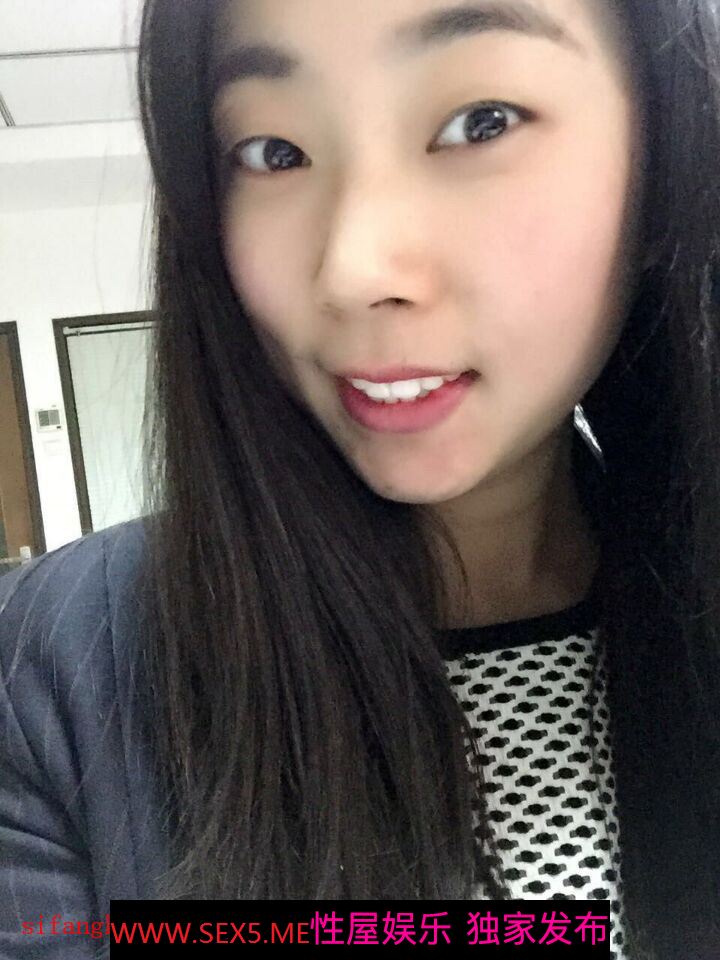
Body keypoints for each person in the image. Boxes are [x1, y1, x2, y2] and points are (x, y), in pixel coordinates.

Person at [1, 0, 719, 957]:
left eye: (481, 123)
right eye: (273, 152)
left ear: (664, 148)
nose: (351, 268)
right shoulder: (61, 667)